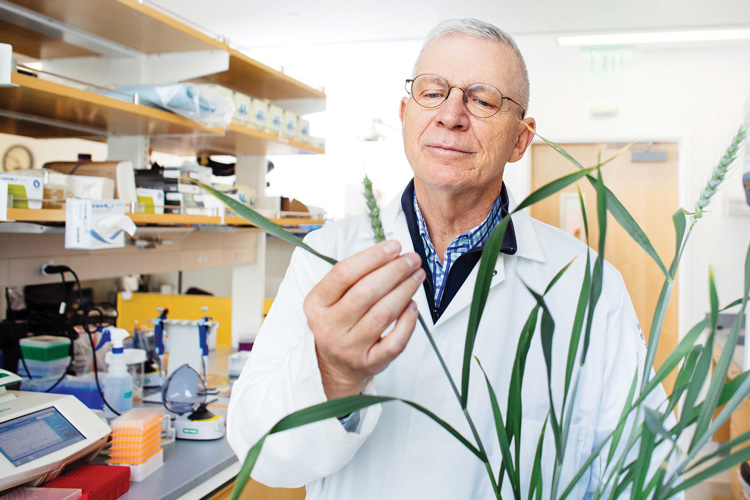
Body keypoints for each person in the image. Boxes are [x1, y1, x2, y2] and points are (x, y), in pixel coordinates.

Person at [228, 18, 677, 499]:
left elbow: (645, 472)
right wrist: (334, 376)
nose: (451, 114)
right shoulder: (326, 257)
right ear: (405, 114)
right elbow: (262, 453)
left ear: (521, 140)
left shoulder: (586, 284)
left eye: (482, 99)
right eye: (432, 92)